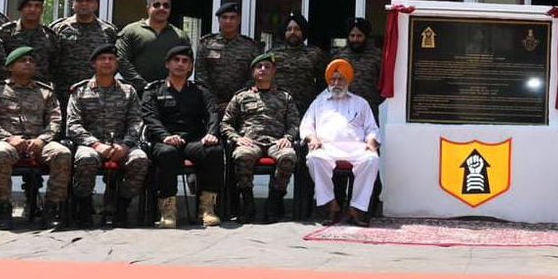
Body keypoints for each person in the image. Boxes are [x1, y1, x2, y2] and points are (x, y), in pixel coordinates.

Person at [0, 46, 71, 230]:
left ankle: (52, 208)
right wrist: (8, 138)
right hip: (9, 142)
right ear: (10, 67)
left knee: (62, 152)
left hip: (39, 142)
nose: (28, 63)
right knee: (0, 153)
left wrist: (43, 140)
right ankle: (2, 207)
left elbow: (55, 121)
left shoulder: (45, 91)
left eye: (31, 60)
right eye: (23, 61)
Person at [67, 43, 150, 228]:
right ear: (93, 63)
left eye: (111, 59)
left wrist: (127, 145)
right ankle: (84, 207)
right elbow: (73, 125)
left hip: (122, 144)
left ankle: (121, 206)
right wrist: (96, 145)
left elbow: (136, 121)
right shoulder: (80, 91)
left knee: (140, 159)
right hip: (91, 145)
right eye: (102, 59)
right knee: (85, 158)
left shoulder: (128, 91)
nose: (107, 62)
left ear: (117, 63)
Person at [142, 45, 224, 228]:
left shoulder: (200, 91)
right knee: (167, 153)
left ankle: (207, 208)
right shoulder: (154, 90)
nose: (180, 64)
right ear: (167, 64)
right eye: (176, 60)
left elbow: (212, 114)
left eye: (185, 61)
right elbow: (150, 117)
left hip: (193, 140)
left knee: (214, 151)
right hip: (165, 140)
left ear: (190, 67)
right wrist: (165, 136)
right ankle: (168, 210)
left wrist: (211, 134)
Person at [222, 52, 301, 224]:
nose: (263, 70)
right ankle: (248, 203)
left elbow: (295, 123)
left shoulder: (284, 97)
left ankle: (274, 201)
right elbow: (226, 123)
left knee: (289, 157)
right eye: (259, 67)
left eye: (267, 67)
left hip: (276, 141)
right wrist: (236, 138)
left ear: (274, 72)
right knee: (242, 156)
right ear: (253, 72)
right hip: (250, 142)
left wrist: (288, 137)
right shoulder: (241, 97)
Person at [302, 59, 381, 226]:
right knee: (314, 158)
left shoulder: (361, 103)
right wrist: (313, 138)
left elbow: (372, 128)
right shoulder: (319, 102)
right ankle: (331, 204)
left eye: (340, 79)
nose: (336, 83)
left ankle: (357, 208)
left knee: (372, 160)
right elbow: (307, 124)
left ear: (348, 81)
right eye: (333, 79)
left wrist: (372, 142)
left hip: (355, 148)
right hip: (327, 147)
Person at [50, 0, 118, 113]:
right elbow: (50, 58)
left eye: (88, 0)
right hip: (64, 92)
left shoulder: (108, 30)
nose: (84, 4)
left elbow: (115, 60)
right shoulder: (59, 28)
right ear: (72, 4)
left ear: (96, 4)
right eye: (79, 0)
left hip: (97, 92)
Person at [115, 0, 192, 95]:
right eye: (156, 5)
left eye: (166, 5)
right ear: (148, 7)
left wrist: (170, 85)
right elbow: (121, 59)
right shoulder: (131, 31)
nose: (162, 8)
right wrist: (142, 85)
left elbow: (188, 64)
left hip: (170, 94)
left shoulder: (180, 36)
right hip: (137, 93)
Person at [195, 2, 261, 112]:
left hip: (241, 105)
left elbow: (253, 77)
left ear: (239, 20)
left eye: (232, 18)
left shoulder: (250, 46)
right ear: (219, 20)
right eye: (224, 18)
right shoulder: (206, 44)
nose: (228, 21)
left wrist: (234, 101)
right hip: (210, 105)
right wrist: (212, 100)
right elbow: (201, 75)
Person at [0, 0, 61, 86]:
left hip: (40, 91)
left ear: (42, 10)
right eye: (28, 5)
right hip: (10, 90)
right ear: (21, 8)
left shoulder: (50, 36)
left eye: (37, 6)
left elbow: (55, 66)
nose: (32, 9)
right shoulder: (5, 33)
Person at [272, 12, 327, 116]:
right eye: (289, 29)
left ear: (303, 32)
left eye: (297, 29)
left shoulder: (315, 53)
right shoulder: (273, 54)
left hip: (306, 109)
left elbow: (323, 82)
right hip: (278, 108)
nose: (293, 32)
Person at [331, 16, 383, 119]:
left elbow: (384, 83)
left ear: (366, 36)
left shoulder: (377, 56)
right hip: (343, 110)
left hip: (369, 110)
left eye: (359, 36)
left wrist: (374, 100)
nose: (355, 39)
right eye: (352, 35)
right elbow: (331, 82)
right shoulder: (338, 56)